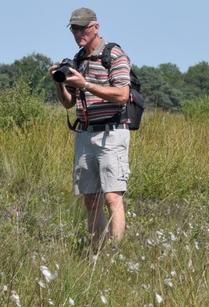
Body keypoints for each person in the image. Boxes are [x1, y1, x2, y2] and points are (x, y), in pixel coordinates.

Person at [49, 7, 133, 248]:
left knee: (112, 196)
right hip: (85, 133)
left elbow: (122, 94)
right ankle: (96, 250)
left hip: (111, 133)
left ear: (96, 27)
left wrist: (85, 83)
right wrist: (59, 83)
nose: (78, 33)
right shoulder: (78, 60)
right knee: (90, 200)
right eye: (74, 29)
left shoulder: (114, 54)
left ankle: (114, 254)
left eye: (83, 28)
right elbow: (68, 102)